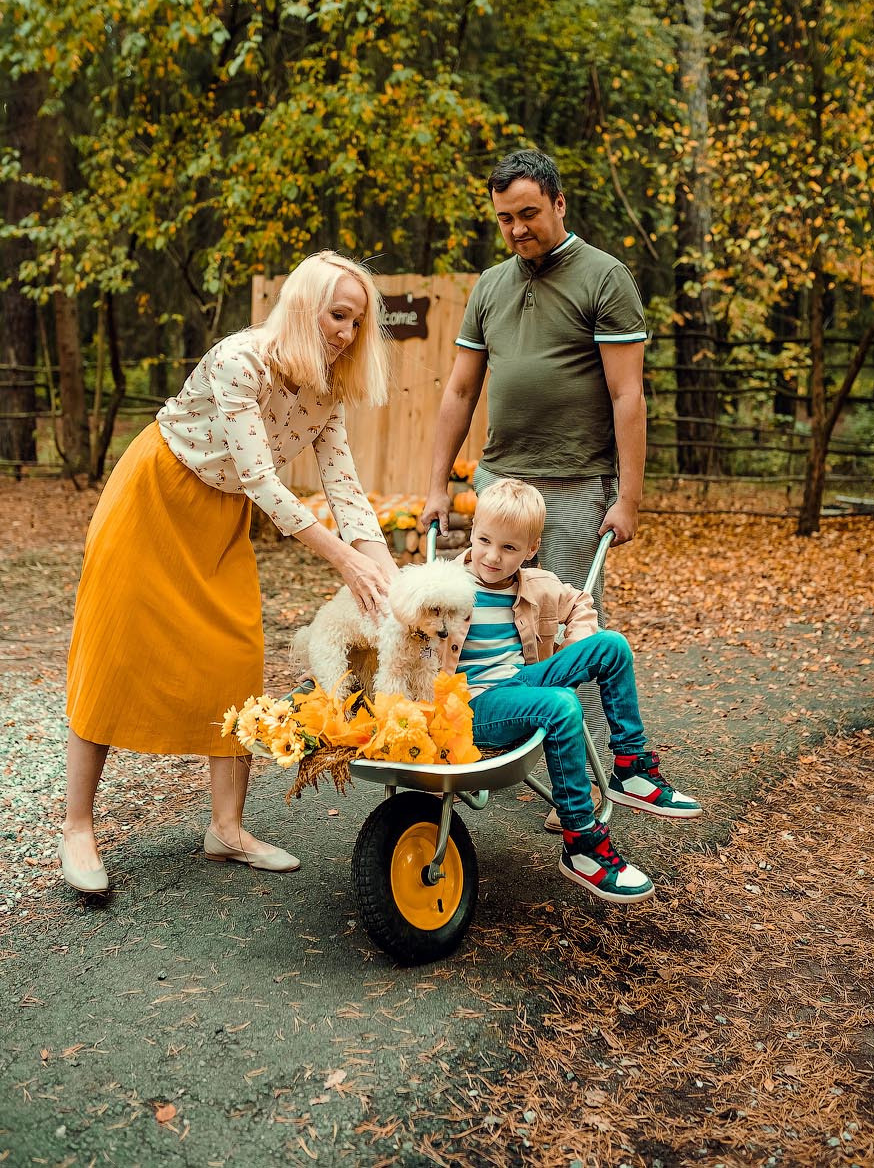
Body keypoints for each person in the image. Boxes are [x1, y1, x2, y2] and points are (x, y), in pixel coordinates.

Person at [60, 251, 397, 894]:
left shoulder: (326, 391)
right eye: (338, 316)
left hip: (221, 520)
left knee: (236, 656)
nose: (348, 335)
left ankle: (227, 829)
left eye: (357, 322)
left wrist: (390, 582)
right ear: (304, 306)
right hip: (153, 499)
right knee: (111, 654)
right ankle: (77, 827)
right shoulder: (239, 360)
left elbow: (346, 489)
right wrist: (344, 561)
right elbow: (261, 479)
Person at [421, 148, 648, 824]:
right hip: (500, 477)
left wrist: (627, 496)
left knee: (567, 629)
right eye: (504, 219)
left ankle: (581, 779)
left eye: (528, 214)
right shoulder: (491, 284)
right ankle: (488, 741)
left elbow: (627, 394)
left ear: (558, 203)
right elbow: (462, 387)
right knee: (483, 619)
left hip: (578, 481)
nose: (517, 229)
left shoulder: (604, 277)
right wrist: (438, 483)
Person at [440, 479, 700, 904]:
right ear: (472, 530)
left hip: (520, 686)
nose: (492, 556)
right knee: (560, 704)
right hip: (472, 707)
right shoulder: (446, 584)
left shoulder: (536, 583)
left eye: (508, 548)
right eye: (485, 540)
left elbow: (580, 603)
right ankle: (582, 843)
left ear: (531, 548)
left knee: (612, 645)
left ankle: (630, 767)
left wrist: (573, 649)